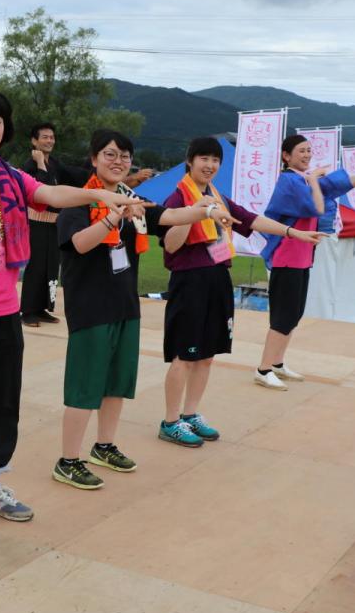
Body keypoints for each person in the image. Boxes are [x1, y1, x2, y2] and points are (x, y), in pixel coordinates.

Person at [0, 89, 144, 551]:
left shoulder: (9, 176)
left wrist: (99, 191)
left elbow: (51, 194)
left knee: (0, 407)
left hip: (4, 313)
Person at [53, 131, 236, 490]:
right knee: (84, 386)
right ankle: (68, 460)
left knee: (116, 384)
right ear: (93, 159)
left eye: (124, 156)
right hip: (91, 307)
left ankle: (104, 446)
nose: (118, 161)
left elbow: (168, 216)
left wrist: (207, 209)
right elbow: (77, 243)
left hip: (125, 304)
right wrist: (111, 217)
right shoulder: (81, 200)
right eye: (110, 155)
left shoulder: (132, 198)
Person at [158, 137, 326, 448]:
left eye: (215, 160)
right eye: (203, 159)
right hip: (189, 283)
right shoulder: (178, 197)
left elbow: (251, 220)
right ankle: (170, 421)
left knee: (207, 355)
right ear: (190, 161)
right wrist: (197, 212)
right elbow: (170, 245)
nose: (209, 165)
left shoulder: (218, 196)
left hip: (218, 278)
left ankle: (191, 414)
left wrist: (294, 232)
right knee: (184, 355)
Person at [254, 134, 355, 390]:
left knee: (294, 315)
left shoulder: (305, 180)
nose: (307, 154)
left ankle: (277, 364)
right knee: (282, 317)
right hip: (286, 259)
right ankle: (263, 369)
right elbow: (316, 207)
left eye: (309, 150)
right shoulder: (289, 181)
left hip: (302, 259)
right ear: (286, 156)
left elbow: (339, 184)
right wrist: (314, 180)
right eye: (301, 150)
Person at [18, 122, 86, 327]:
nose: (50, 141)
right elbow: (43, 189)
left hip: (53, 225)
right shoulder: (29, 166)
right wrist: (39, 163)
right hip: (35, 224)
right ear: (34, 141)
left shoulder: (56, 164)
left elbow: (76, 175)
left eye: (52, 137)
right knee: (35, 267)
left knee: (50, 267)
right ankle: (28, 311)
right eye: (45, 137)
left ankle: (42, 307)